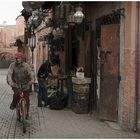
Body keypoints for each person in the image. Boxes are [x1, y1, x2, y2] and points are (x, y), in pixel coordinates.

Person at [7, 52, 34, 117]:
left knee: (27, 99)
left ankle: (27, 113)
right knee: (16, 94)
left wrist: (32, 80)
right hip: (16, 84)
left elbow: (31, 73)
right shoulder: (12, 65)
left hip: (25, 84)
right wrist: (10, 82)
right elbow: (9, 74)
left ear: (22, 59)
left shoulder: (26, 65)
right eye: (16, 58)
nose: (17, 59)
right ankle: (14, 103)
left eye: (18, 58)